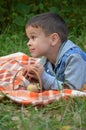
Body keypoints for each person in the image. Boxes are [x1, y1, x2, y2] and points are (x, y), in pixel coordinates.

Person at [24, 12, 86, 90]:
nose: (28, 43)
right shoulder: (45, 59)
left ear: (53, 39)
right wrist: (32, 78)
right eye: (28, 39)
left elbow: (71, 90)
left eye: (33, 37)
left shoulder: (74, 58)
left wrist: (43, 76)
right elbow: (47, 83)